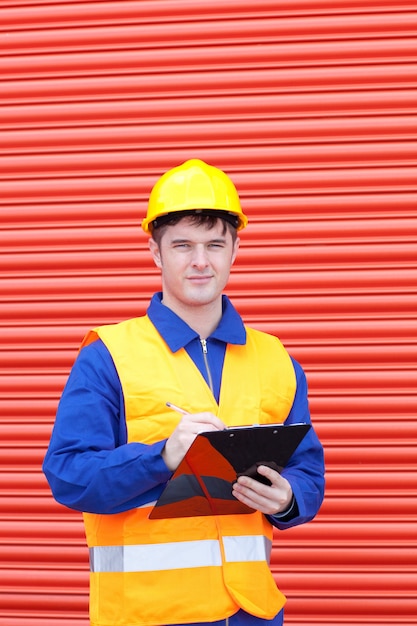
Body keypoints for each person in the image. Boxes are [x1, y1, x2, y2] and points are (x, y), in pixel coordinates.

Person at [43, 159, 325, 626]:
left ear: (235, 250)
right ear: (156, 253)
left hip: (252, 613)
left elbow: (307, 468)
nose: (201, 261)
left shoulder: (276, 359)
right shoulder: (109, 355)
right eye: (182, 246)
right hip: (147, 615)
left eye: (215, 244)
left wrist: (290, 498)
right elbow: (69, 475)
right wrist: (162, 457)